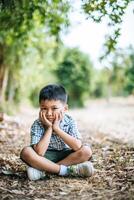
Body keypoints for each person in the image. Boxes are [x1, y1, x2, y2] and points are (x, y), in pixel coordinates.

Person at [20, 84, 94, 180]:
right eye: (44, 108)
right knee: (26, 152)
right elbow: (40, 152)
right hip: (46, 157)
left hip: (68, 156)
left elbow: (77, 146)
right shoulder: (37, 124)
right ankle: (67, 170)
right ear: (40, 108)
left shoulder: (70, 121)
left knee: (86, 151)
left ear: (65, 109)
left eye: (54, 108)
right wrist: (49, 128)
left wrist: (57, 129)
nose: (49, 113)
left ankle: (44, 171)